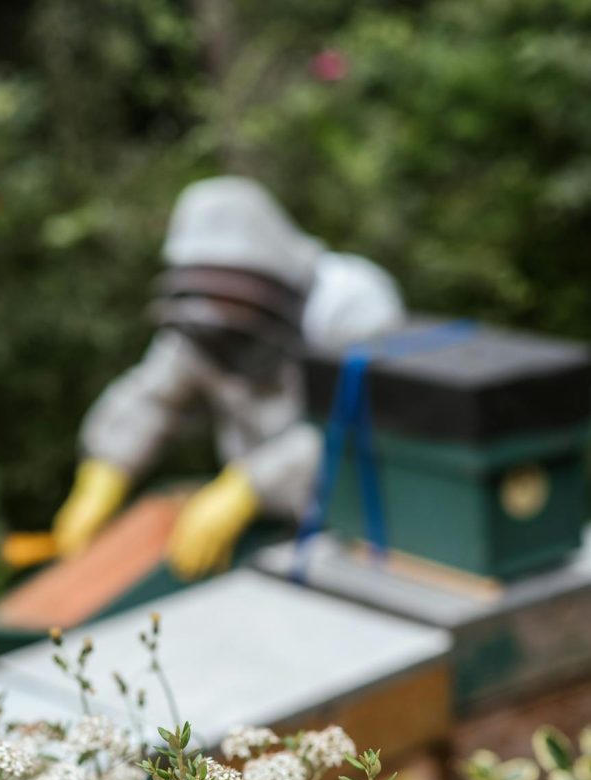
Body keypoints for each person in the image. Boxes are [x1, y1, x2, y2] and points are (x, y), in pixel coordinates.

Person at [52, 176, 404, 577]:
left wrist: (250, 485)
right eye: (208, 290)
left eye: (231, 293)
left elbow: (366, 426)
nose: (219, 310)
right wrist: (103, 473)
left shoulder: (350, 304)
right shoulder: (202, 326)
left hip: (360, 528)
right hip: (264, 527)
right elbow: (151, 396)